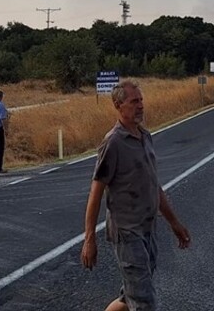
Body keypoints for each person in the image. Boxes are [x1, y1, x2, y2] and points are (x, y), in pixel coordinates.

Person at [81, 80, 190, 311]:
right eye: (134, 101)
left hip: (147, 230)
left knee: (129, 295)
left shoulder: (144, 136)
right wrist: (89, 238)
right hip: (127, 232)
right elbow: (96, 193)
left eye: (141, 100)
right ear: (118, 105)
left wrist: (174, 223)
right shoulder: (113, 143)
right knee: (144, 302)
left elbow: (154, 186)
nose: (140, 106)